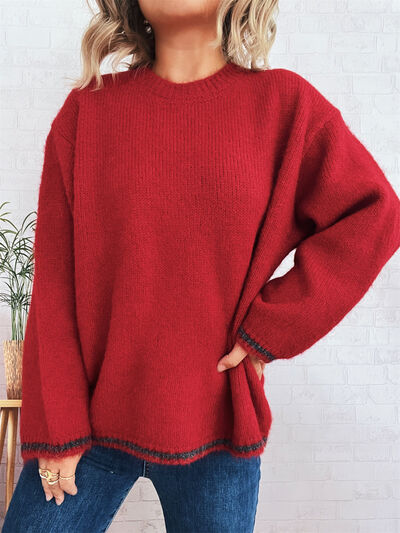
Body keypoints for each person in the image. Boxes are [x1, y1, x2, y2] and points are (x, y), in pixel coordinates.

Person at [3, 0, 400, 531]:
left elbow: (373, 213)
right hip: (89, 426)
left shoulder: (285, 106)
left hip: (220, 425)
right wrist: (56, 427)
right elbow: (54, 287)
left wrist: (270, 330)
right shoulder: (86, 113)